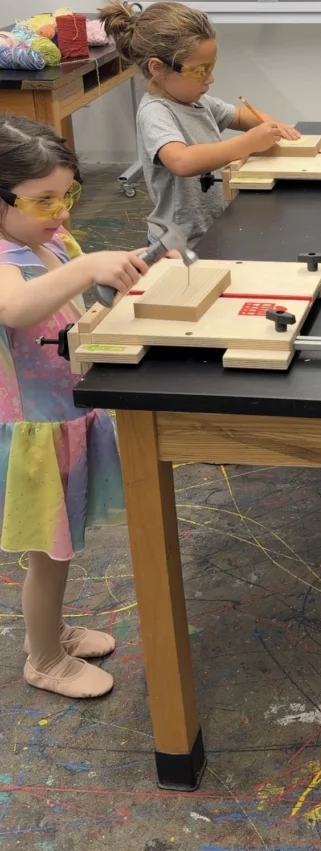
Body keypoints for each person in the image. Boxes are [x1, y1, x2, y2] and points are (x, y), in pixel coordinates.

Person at [0, 116, 150, 698]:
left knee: (59, 545)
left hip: (64, 411)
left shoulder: (48, 240)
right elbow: (16, 309)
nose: (61, 211)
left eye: (68, 195)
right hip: (33, 429)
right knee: (49, 551)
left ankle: (53, 630)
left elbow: (72, 300)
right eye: (43, 200)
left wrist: (118, 266)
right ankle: (43, 660)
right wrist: (89, 266)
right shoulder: (7, 260)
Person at [100, 0, 299, 249]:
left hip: (212, 230)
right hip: (178, 245)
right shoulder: (155, 113)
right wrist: (248, 143)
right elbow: (182, 162)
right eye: (200, 71)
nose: (210, 78)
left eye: (211, 68)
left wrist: (276, 127)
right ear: (157, 69)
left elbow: (239, 115)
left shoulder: (198, 101)